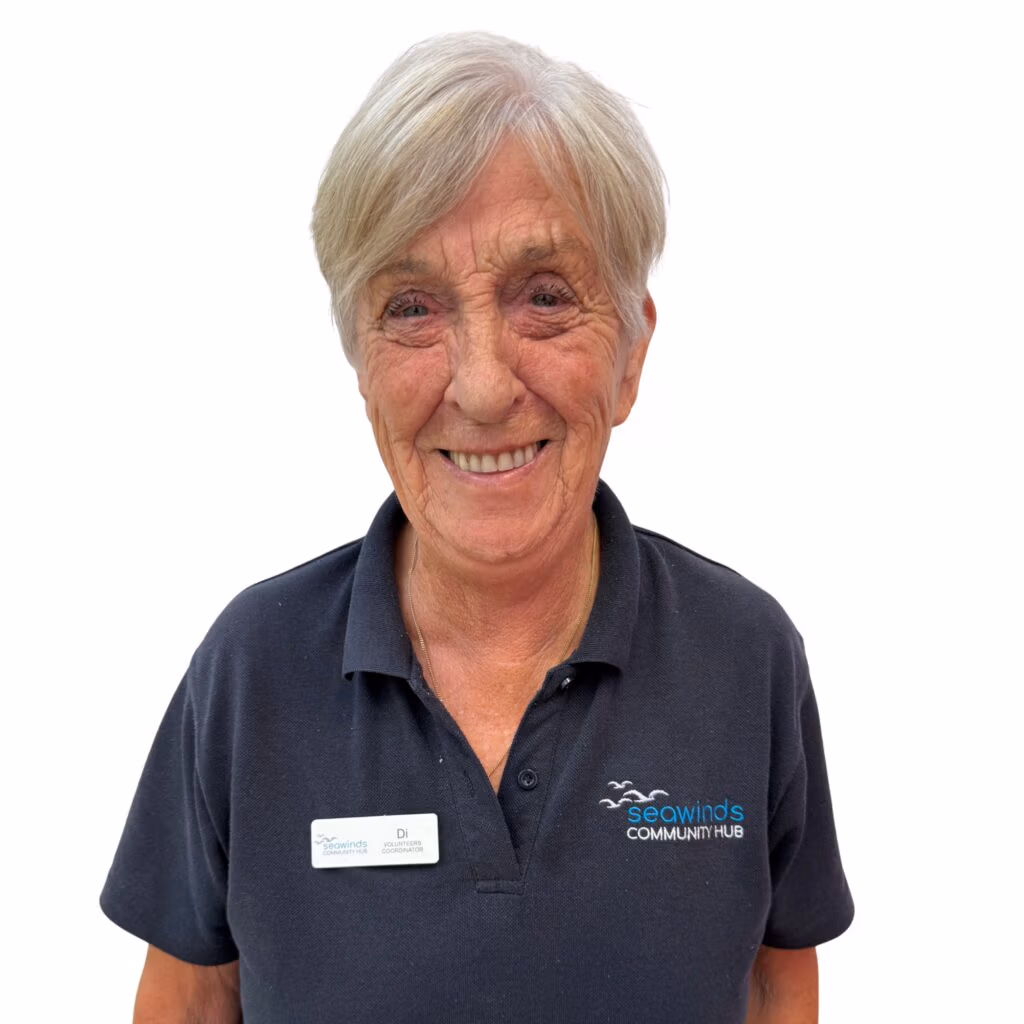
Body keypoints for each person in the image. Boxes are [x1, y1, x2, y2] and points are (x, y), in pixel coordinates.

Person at [101, 32, 853, 1023]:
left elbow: (774, 977)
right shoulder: (252, 669)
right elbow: (191, 998)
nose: (484, 387)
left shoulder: (744, 657)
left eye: (544, 298)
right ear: (360, 361)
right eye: (412, 308)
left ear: (630, 355)